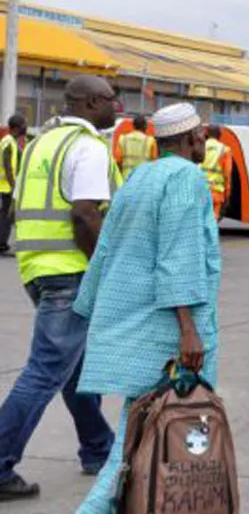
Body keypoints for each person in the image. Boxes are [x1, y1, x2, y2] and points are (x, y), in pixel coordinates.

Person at [72, 103, 222, 514]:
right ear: (193, 138)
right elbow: (179, 254)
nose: (204, 143)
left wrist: (89, 310)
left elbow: (106, 250)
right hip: (169, 339)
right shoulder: (187, 177)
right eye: (202, 137)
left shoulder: (139, 177)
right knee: (148, 450)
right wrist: (188, 329)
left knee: (136, 442)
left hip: (134, 329)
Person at [0, 76, 121, 502]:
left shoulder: (39, 144)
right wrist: (105, 269)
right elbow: (85, 214)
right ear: (91, 102)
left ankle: (98, 448)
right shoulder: (87, 147)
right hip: (71, 272)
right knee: (46, 370)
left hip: (37, 267)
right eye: (111, 99)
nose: (117, 106)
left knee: (77, 368)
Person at [0, 114, 29, 256]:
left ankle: (3, 244)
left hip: (7, 186)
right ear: (17, 128)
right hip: (5, 187)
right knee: (6, 217)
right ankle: (2, 245)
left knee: (7, 217)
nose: (26, 127)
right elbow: (7, 166)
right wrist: (13, 185)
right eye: (24, 124)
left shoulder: (12, 141)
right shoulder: (8, 142)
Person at [201, 124, 233, 220]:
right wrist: (227, 195)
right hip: (216, 194)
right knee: (212, 222)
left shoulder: (200, 147)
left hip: (200, 191)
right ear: (219, 134)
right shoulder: (225, 150)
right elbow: (227, 174)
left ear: (206, 133)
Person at [113, 115, 156, 181]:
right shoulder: (150, 141)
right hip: (143, 179)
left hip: (126, 179)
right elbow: (154, 163)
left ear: (133, 126)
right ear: (145, 126)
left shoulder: (123, 139)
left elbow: (118, 161)